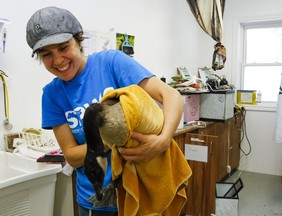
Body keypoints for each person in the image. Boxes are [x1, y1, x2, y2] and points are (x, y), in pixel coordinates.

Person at [26, 6, 184, 216]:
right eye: (47, 54)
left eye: (64, 48)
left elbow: (171, 96)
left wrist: (163, 140)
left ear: (79, 40)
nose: (57, 61)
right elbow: (72, 157)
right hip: (97, 199)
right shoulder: (52, 95)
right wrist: (113, 135)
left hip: (141, 187)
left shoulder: (111, 63)